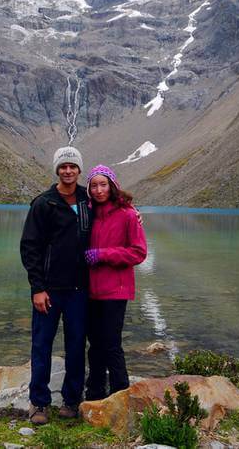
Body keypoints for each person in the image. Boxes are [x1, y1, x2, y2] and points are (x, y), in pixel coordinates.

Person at [20, 146, 92, 425]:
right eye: (63, 166)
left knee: (76, 345)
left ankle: (72, 401)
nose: (68, 171)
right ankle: (39, 403)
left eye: (73, 166)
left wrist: (134, 214)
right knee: (41, 345)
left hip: (80, 289)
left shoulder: (89, 199)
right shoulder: (44, 203)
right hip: (48, 290)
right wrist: (37, 288)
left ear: (79, 169)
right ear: (57, 170)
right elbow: (30, 247)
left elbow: (116, 210)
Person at [83, 165, 147, 401]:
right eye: (94, 185)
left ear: (112, 185)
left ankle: (121, 393)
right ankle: (95, 392)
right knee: (95, 344)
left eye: (103, 184)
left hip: (115, 291)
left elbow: (139, 253)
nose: (99, 190)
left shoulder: (128, 215)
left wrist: (103, 254)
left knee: (111, 343)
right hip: (91, 290)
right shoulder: (89, 213)